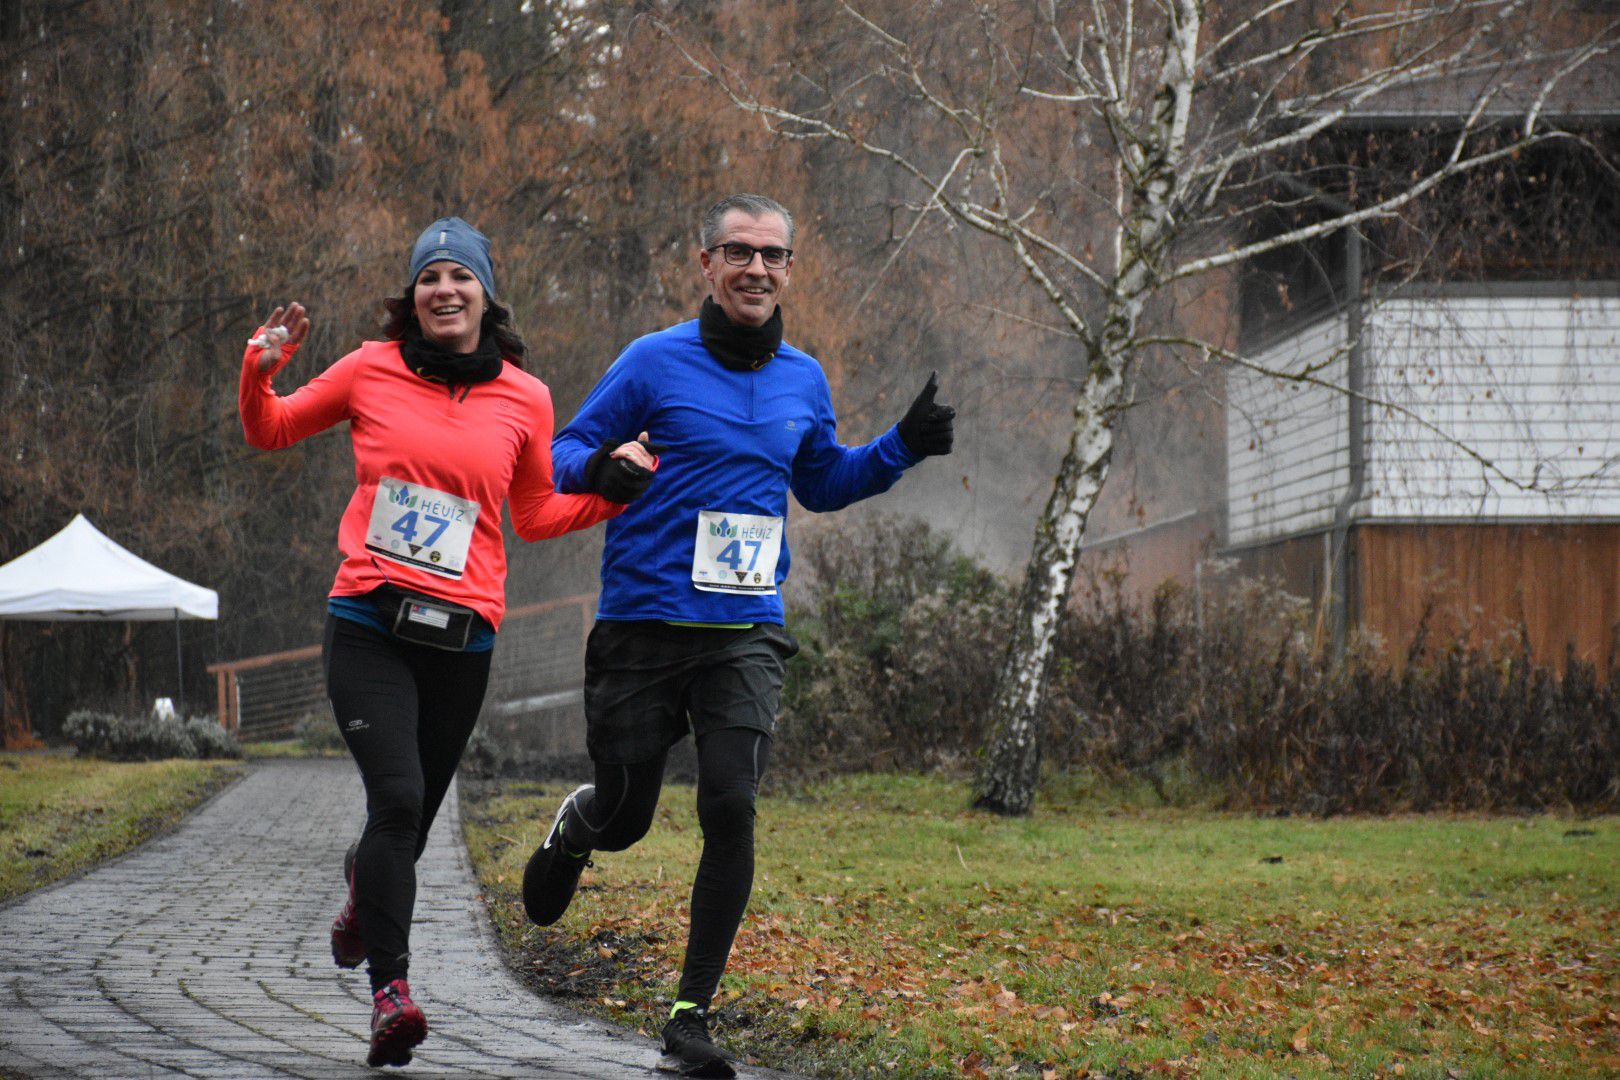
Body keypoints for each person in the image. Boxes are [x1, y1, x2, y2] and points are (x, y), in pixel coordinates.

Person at [522, 193, 955, 1078]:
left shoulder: (804, 377)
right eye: (739, 252)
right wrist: (606, 467)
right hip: (643, 625)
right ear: (708, 264)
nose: (757, 268)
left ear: (791, 270)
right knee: (629, 817)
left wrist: (901, 446)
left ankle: (690, 1015)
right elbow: (560, 453)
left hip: (744, 628)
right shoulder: (652, 363)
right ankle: (579, 825)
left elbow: (823, 482)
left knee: (730, 802)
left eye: (774, 255)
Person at [237, 217, 658, 1069]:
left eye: (459, 277)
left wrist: (611, 492)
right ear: (413, 297)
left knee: (409, 826)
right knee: (396, 799)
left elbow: (536, 516)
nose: (444, 290)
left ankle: (366, 892)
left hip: (462, 639)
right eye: (430, 278)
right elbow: (270, 428)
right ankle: (391, 992)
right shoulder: (369, 367)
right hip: (368, 621)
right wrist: (258, 372)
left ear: (485, 294)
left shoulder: (525, 396)